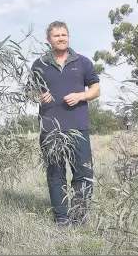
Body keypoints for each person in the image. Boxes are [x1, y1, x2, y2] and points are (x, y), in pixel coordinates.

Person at [28, 21, 100, 227]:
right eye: (57, 35)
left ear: (69, 37)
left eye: (64, 35)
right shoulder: (39, 64)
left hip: (78, 128)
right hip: (50, 130)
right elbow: (30, 91)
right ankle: (61, 219)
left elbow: (96, 90)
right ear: (49, 39)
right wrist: (39, 96)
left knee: (84, 174)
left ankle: (79, 218)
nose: (61, 38)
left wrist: (80, 96)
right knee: (55, 175)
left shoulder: (83, 62)